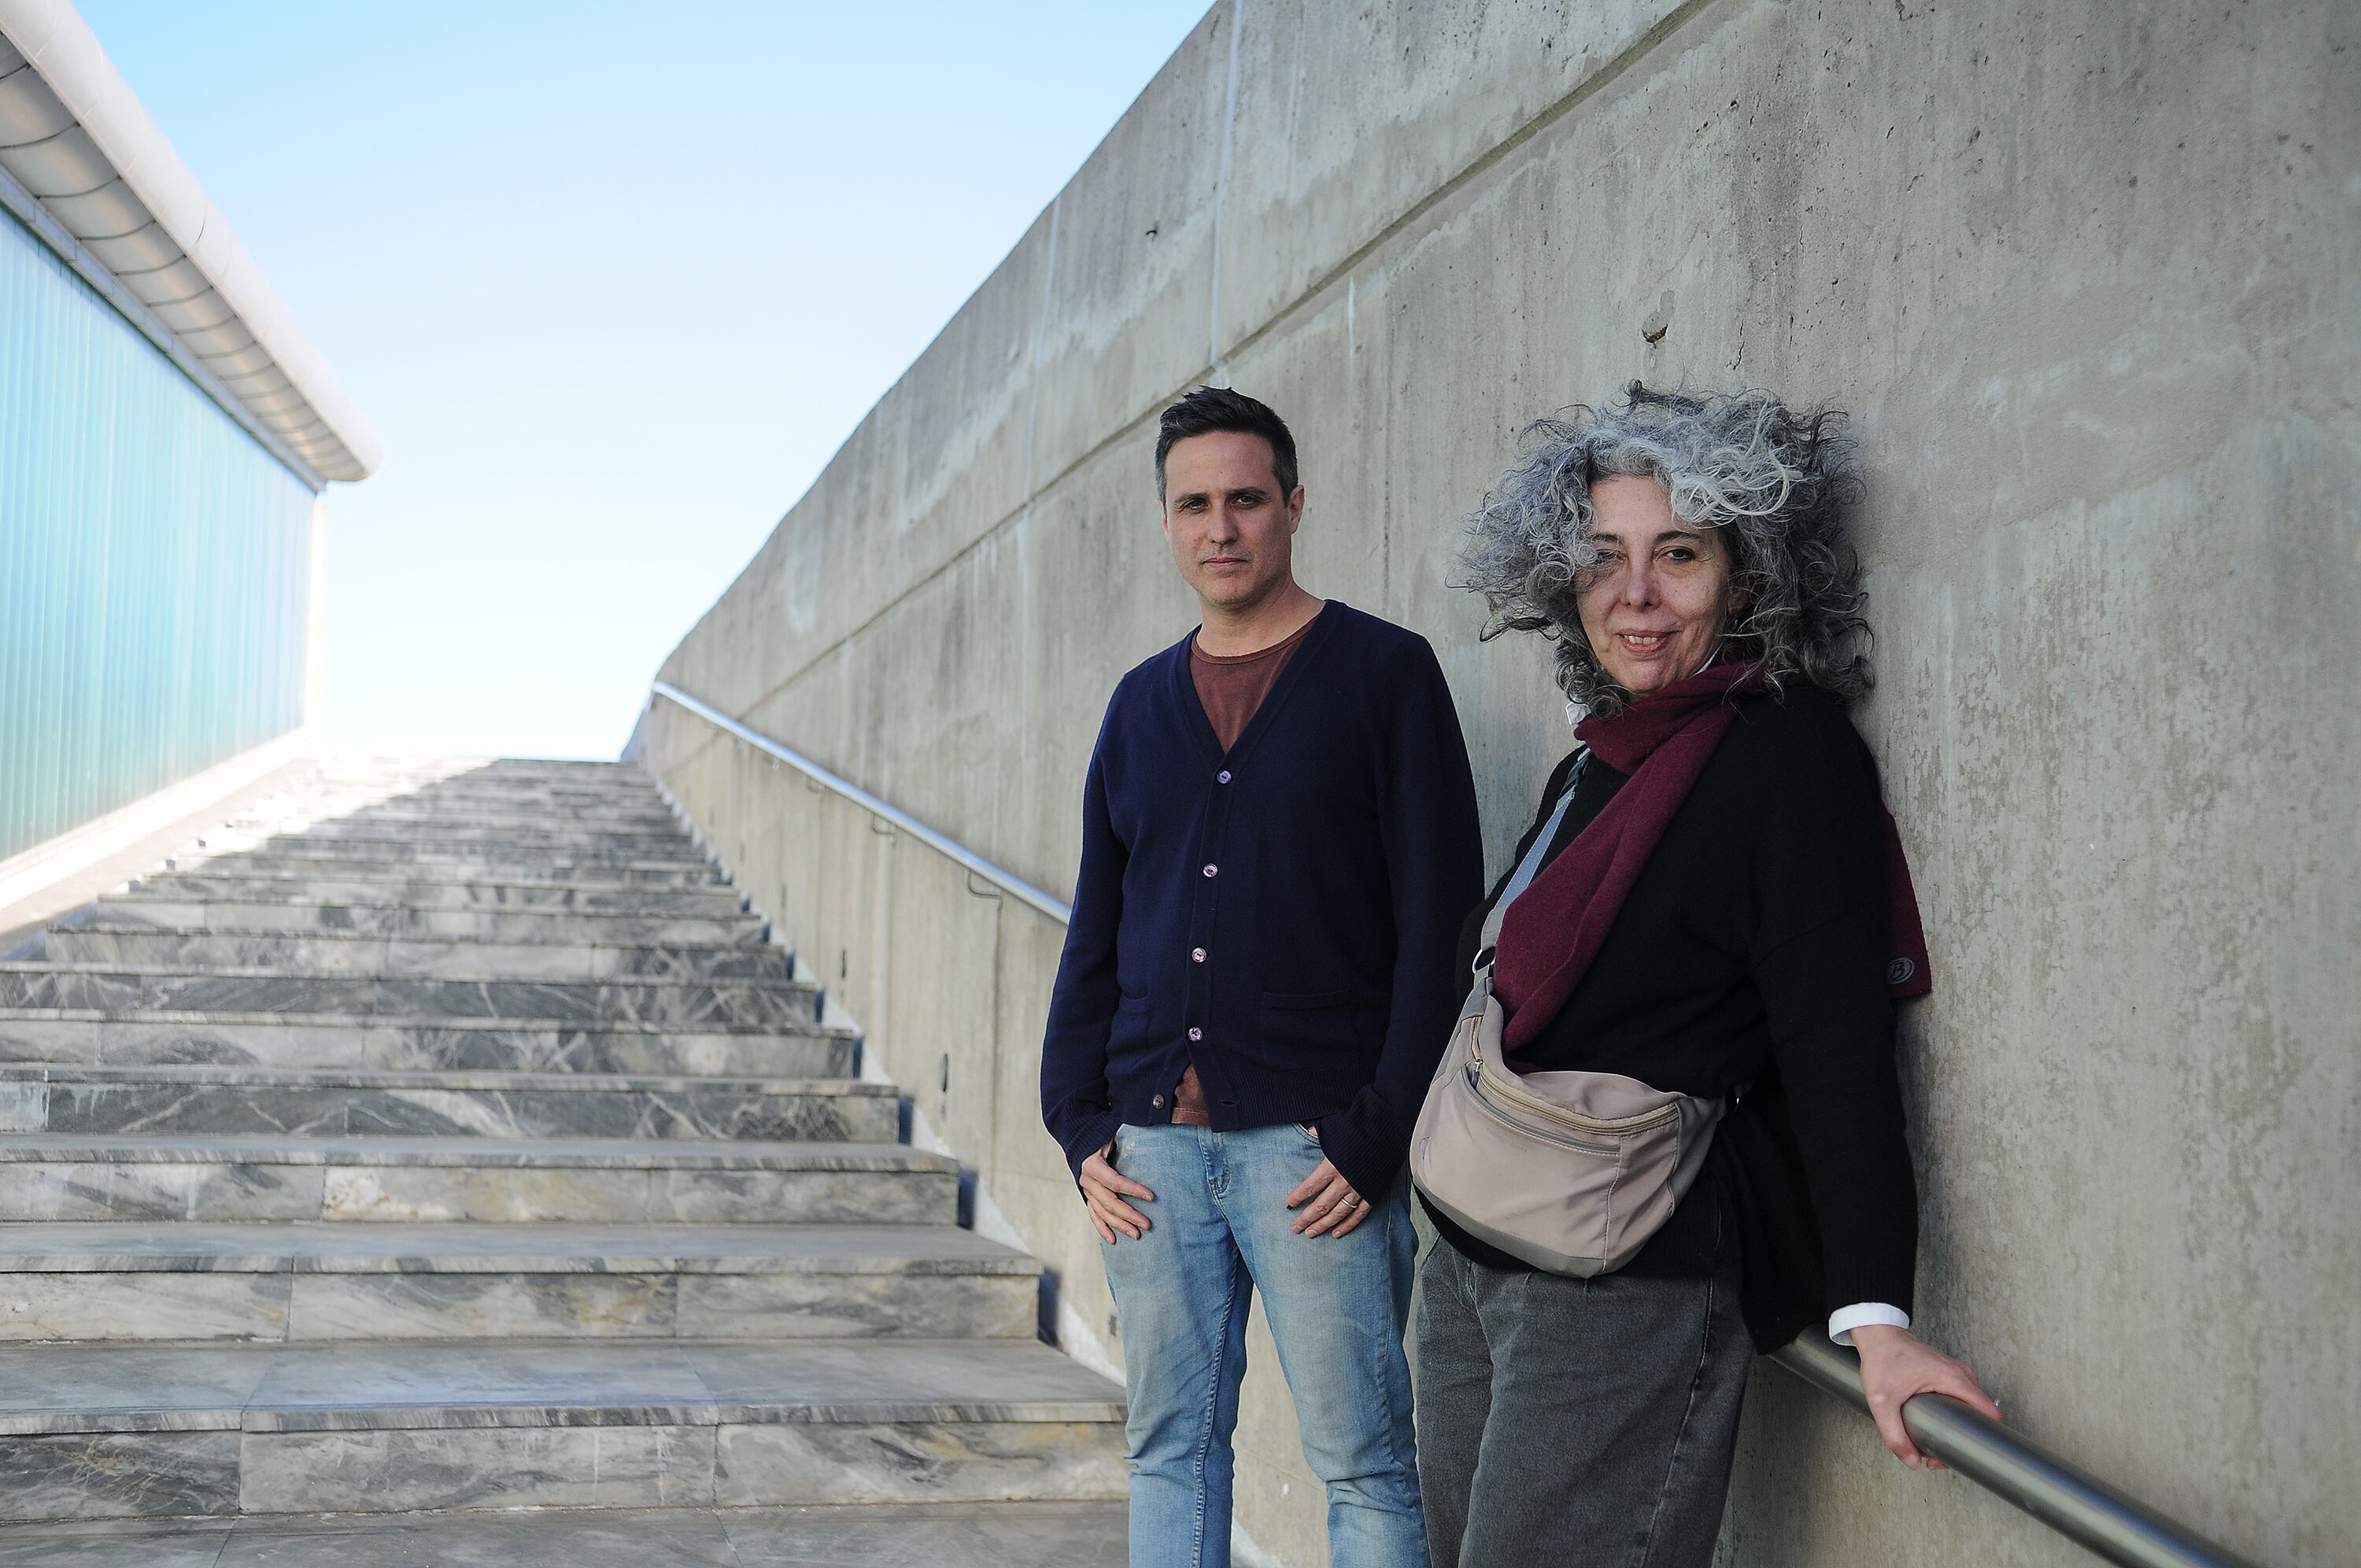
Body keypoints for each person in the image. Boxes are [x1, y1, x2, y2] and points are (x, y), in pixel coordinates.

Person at [1414, 385, 2003, 1567]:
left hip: (1620, 1280)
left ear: (1747, 574)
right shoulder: (1606, 752)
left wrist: (1876, 1316)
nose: (1634, 595)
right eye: (1603, 558)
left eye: (1676, 555)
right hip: (1473, 1253)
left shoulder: (1788, 758)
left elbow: (1836, 1039)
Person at [1041, 386, 1483, 1568]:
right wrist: (1078, 1123)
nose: (1220, 526)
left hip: (1316, 1157)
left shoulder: (1386, 675)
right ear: (1167, 522)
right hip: (1147, 1154)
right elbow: (1097, 930)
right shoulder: (1139, 704)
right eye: (1194, 503)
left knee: (1366, 1462)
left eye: (1245, 498)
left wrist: (1375, 1133)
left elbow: (1442, 925)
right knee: (1170, 1448)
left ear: (1293, 506)